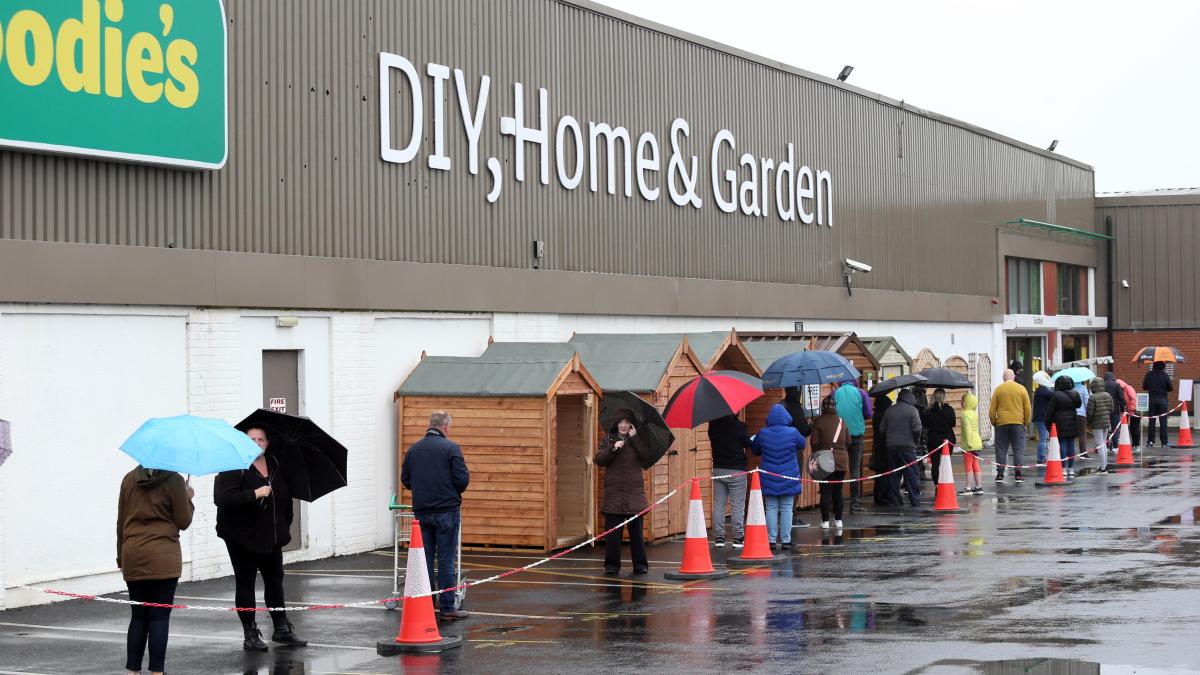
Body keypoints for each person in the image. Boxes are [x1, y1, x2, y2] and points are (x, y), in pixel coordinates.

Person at [215, 427, 308, 650]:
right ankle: (250, 634)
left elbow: (286, 498)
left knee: (275, 580)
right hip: (241, 537)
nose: (256, 443)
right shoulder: (233, 465)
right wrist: (253, 494)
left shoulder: (276, 464)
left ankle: (282, 629)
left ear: (267, 443)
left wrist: (284, 524)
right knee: (245, 583)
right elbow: (223, 499)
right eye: (251, 439)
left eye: (261, 439)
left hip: (270, 535)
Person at [117, 466, 194, 675]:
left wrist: (120, 557)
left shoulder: (129, 479)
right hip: (163, 557)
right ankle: (157, 672)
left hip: (133, 554)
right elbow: (184, 521)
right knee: (159, 617)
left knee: (138, 616)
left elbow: (121, 522)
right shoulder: (174, 480)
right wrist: (187, 497)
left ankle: (133, 671)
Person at [401, 410, 471, 618]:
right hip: (446, 511)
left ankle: (427, 603)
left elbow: (406, 480)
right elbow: (462, 480)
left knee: (425, 560)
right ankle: (448, 607)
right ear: (446, 427)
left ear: (430, 425)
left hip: (422, 512)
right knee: (446, 560)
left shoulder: (413, 451)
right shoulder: (451, 448)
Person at [595, 410, 652, 574]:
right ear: (616, 424)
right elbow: (599, 460)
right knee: (613, 537)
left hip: (634, 496)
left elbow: (645, 457)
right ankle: (611, 566)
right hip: (613, 496)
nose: (624, 425)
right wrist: (613, 448)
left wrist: (634, 438)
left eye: (627, 422)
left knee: (637, 536)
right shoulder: (608, 439)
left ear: (631, 425)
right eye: (621, 422)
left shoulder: (637, 440)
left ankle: (640, 565)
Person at [751, 404, 804, 549]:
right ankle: (786, 540)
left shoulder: (763, 433)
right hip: (789, 476)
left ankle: (771, 540)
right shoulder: (793, 432)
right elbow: (803, 443)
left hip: (769, 476)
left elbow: (755, 450)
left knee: (771, 507)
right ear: (786, 417)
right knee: (787, 508)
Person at [708, 414, 752, 548]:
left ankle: (719, 537)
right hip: (737, 470)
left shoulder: (713, 425)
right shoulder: (739, 426)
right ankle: (738, 537)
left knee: (718, 505)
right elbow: (748, 443)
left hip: (718, 469)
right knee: (737, 505)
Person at [809, 396, 849, 529]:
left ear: (823, 407)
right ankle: (839, 520)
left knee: (825, 491)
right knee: (838, 491)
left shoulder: (818, 421)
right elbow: (849, 442)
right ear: (834, 407)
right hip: (842, 460)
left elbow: (814, 442)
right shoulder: (842, 421)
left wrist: (818, 453)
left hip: (825, 459)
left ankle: (825, 521)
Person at [879, 389, 923, 506]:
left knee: (894, 474)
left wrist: (890, 437)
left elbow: (882, 429)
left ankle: (895, 500)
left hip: (891, 447)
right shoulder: (913, 410)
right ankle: (915, 499)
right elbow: (917, 429)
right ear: (910, 398)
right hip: (908, 447)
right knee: (912, 474)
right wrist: (915, 441)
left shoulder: (889, 410)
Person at [834, 380, 871, 513]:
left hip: (839, 435)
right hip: (856, 434)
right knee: (855, 468)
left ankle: (835, 503)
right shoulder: (861, 393)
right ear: (855, 382)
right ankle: (855, 504)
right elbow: (868, 413)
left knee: (837, 468)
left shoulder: (835, 393)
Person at [990, 369, 1032, 483]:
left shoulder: (998, 390)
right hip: (1018, 422)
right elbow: (1027, 408)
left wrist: (994, 422)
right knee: (1018, 449)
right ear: (1013, 377)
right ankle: (1018, 474)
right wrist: (1025, 422)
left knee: (1001, 449)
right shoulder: (1022, 389)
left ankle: (1000, 473)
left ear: (1004, 378)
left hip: (1002, 423)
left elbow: (992, 409)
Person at [1046, 375, 1084, 477]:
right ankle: (1070, 468)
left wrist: (1048, 424)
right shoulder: (1075, 393)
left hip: (1060, 423)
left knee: (1062, 444)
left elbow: (1050, 411)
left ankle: (1063, 468)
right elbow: (1079, 405)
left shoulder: (1056, 395)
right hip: (1072, 421)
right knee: (1071, 445)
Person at [871, 393, 901, 506]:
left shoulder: (877, 414)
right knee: (886, 472)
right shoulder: (884, 415)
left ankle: (879, 496)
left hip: (879, 446)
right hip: (886, 446)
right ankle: (884, 496)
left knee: (880, 473)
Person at [924, 388, 957, 485]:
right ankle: (945, 483)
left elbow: (926, 425)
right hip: (947, 440)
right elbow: (953, 424)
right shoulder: (949, 409)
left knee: (935, 464)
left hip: (933, 440)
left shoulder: (929, 411)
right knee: (946, 464)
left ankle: (937, 485)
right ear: (944, 397)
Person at [1086, 377, 1114, 473]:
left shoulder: (1092, 397)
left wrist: (1088, 423)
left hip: (1097, 424)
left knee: (1100, 445)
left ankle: (1103, 467)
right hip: (1106, 422)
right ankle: (1104, 465)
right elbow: (1112, 409)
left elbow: (1090, 413)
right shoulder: (1108, 395)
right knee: (1104, 444)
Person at [1143, 361, 1174, 447]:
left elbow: (1144, 387)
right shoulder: (1164, 375)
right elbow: (1170, 388)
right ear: (1163, 367)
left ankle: (1150, 442)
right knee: (1163, 422)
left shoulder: (1148, 375)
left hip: (1151, 400)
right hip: (1162, 400)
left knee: (1151, 421)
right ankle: (1164, 442)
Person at [959, 393, 984, 494]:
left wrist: (968, 443)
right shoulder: (974, 413)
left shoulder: (965, 415)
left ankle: (968, 488)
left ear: (966, 403)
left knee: (968, 465)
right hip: (977, 442)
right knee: (975, 464)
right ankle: (978, 487)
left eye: (962, 401)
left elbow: (967, 430)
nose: (961, 403)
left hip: (970, 445)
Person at [1032, 371, 1055, 465]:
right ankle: (1041, 458)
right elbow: (1053, 395)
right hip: (1042, 418)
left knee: (1044, 438)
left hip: (1039, 418)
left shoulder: (1039, 390)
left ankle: (1042, 456)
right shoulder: (1044, 391)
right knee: (1043, 438)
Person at [1117, 376, 1141, 450]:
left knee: (1134, 428)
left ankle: (1136, 445)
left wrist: (1132, 410)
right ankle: (1132, 445)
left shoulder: (1128, 388)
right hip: (1129, 411)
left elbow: (1133, 399)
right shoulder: (1123, 389)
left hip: (1135, 411)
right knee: (1129, 428)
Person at [1104, 372, 1125, 453]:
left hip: (1104, 410)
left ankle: (1105, 446)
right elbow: (1121, 398)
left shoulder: (1102, 385)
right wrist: (1122, 409)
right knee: (1115, 428)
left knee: (1104, 429)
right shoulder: (1116, 385)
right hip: (1115, 410)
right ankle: (1115, 447)